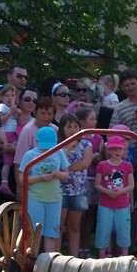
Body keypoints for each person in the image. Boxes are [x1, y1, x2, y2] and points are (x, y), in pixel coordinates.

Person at [20, 125, 70, 254]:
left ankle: (49, 262)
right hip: (35, 198)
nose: (46, 149)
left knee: (52, 233)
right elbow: (22, 179)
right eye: (44, 146)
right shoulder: (30, 155)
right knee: (35, 233)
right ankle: (32, 261)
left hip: (54, 199)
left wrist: (58, 174)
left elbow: (66, 174)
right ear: (36, 141)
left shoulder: (59, 152)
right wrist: (40, 178)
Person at [58, 111, 96, 258]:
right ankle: (56, 257)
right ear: (62, 129)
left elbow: (85, 163)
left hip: (79, 192)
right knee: (59, 226)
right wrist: (66, 149)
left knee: (75, 227)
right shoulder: (58, 146)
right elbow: (56, 163)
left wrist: (66, 168)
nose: (73, 130)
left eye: (75, 126)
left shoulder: (86, 144)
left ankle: (74, 258)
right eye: (69, 127)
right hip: (60, 191)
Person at [93, 135, 133, 257]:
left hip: (123, 205)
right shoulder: (102, 165)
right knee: (103, 229)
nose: (117, 151)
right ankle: (102, 257)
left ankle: (125, 258)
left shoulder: (127, 165)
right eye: (114, 148)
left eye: (120, 149)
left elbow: (131, 185)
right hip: (105, 205)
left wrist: (119, 192)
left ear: (124, 150)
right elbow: (97, 184)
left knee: (123, 230)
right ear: (108, 150)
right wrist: (107, 192)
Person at [13, 95, 56, 177]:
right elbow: (19, 162)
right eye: (42, 113)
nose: (46, 117)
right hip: (32, 179)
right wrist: (20, 184)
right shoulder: (27, 131)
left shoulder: (55, 130)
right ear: (35, 113)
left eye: (49, 114)